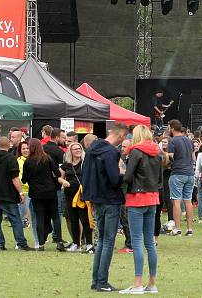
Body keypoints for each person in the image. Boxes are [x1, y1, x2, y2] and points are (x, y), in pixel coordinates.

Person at [82, 123, 129, 293]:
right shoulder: (111, 152)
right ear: (122, 136)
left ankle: (97, 280)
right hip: (110, 199)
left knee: (101, 240)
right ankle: (102, 281)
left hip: (95, 198)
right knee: (108, 241)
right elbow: (114, 179)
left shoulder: (91, 149)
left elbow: (86, 174)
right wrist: (125, 174)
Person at [121, 125, 164, 294]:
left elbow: (128, 177)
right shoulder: (158, 153)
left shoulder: (136, 152)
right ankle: (151, 283)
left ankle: (137, 283)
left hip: (136, 198)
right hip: (152, 198)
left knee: (137, 241)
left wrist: (122, 174)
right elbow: (160, 179)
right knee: (150, 243)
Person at [0, 137, 30, 251]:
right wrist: (20, 192)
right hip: (8, 195)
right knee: (15, 219)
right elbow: (15, 178)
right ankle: (21, 243)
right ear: (9, 145)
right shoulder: (11, 159)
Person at [22, 138, 69, 252]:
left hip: (36, 193)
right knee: (55, 216)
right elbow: (57, 173)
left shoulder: (28, 161)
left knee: (39, 217)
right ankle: (59, 242)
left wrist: (31, 179)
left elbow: (24, 179)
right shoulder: (47, 158)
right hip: (50, 191)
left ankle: (41, 243)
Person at [61, 142, 92, 253]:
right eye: (75, 149)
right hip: (69, 195)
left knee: (85, 220)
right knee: (73, 220)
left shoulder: (86, 163)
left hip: (82, 195)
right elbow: (59, 177)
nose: (78, 150)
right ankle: (76, 243)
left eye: (79, 148)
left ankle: (89, 244)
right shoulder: (67, 164)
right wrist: (64, 181)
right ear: (71, 151)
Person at [166, 120, 195, 236]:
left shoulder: (172, 141)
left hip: (177, 173)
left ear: (172, 128)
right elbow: (192, 157)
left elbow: (170, 158)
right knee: (188, 201)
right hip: (189, 173)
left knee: (176, 201)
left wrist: (166, 163)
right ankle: (190, 229)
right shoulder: (189, 141)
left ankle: (177, 228)